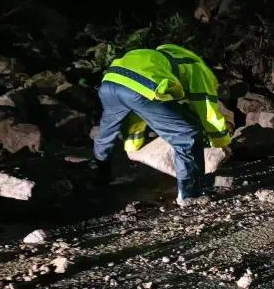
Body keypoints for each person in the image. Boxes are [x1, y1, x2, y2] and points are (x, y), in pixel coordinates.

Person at [93, 44, 230, 205]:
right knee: (187, 133)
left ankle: (100, 176)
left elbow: (139, 113)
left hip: (110, 83)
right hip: (141, 87)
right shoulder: (200, 70)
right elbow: (208, 111)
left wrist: (132, 145)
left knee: (107, 132)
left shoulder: (161, 58)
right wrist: (221, 143)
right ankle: (190, 194)